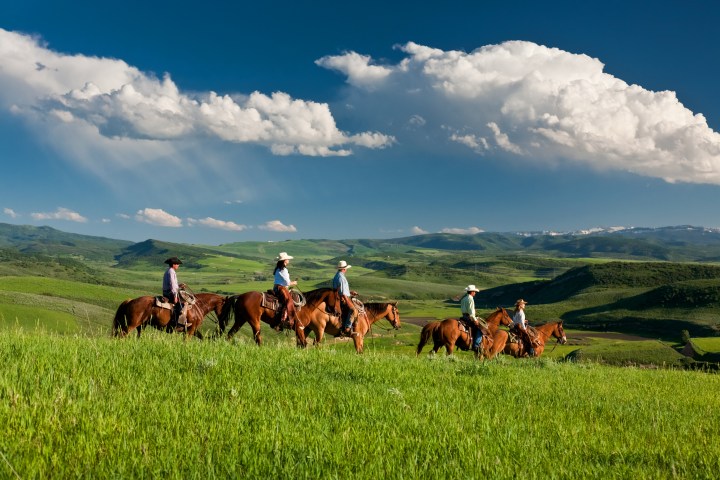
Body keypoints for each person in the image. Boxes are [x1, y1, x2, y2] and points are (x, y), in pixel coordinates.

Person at [162, 257, 190, 329]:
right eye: (177, 264)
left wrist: (179, 286)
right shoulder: (171, 272)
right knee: (182, 304)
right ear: (173, 264)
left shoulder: (169, 270)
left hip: (167, 291)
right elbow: (172, 285)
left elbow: (174, 285)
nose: (178, 265)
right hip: (170, 293)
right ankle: (178, 323)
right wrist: (175, 296)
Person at [273, 252, 298, 329]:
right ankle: (283, 320)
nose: (288, 260)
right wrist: (293, 282)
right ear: (284, 261)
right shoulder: (283, 269)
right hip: (281, 288)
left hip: (277, 287)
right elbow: (287, 282)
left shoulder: (278, 268)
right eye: (287, 259)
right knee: (289, 301)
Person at [460, 284, 489, 352]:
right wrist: (475, 320)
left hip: (464, 316)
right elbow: (471, 312)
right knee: (481, 329)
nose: (475, 293)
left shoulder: (463, 299)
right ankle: (476, 345)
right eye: (474, 292)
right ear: (472, 292)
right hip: (469, 317)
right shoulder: (470, 299)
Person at [332, 260, 357, 336]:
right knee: (353, 310)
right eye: (346, 268)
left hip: (341, 296)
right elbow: (342, 293)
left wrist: (350, 292)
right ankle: (348, 328)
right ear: (344, 269)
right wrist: (348, 302)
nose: (346, 270)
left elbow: (342, 290)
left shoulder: (338, 275)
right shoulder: (341, 277)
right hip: (342, 299)